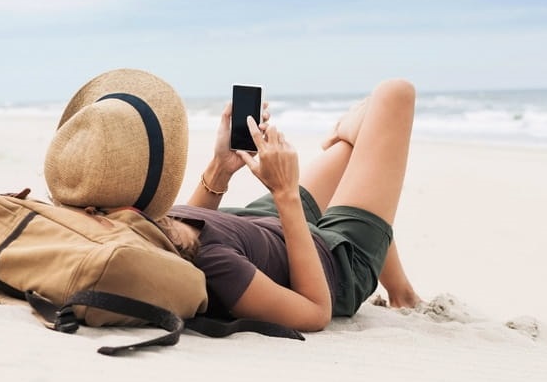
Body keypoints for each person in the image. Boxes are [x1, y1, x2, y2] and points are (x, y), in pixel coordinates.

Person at [160, 79, 422, 331]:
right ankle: (403, 295)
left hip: (252, 224)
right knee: (395, 95)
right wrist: (285, 193)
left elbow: (184, 233)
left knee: (362, 132)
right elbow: (316, 312)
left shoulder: (131, 221)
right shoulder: (217, 264)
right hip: (329, 261)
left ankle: (402, 293)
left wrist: (220, 167)